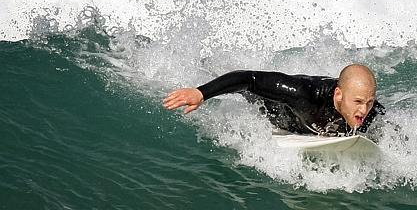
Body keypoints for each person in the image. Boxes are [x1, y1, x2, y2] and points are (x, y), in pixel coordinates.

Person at [163, 64, 385, 136]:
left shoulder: (371, 109)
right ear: (338, 95)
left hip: (307, 123)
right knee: (246, 91)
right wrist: (202, 93)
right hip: (272, 108)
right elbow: (249, 78)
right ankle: (208, 67)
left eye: (369, 102)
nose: (364, 109)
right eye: (358, 102)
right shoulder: (303, 93)